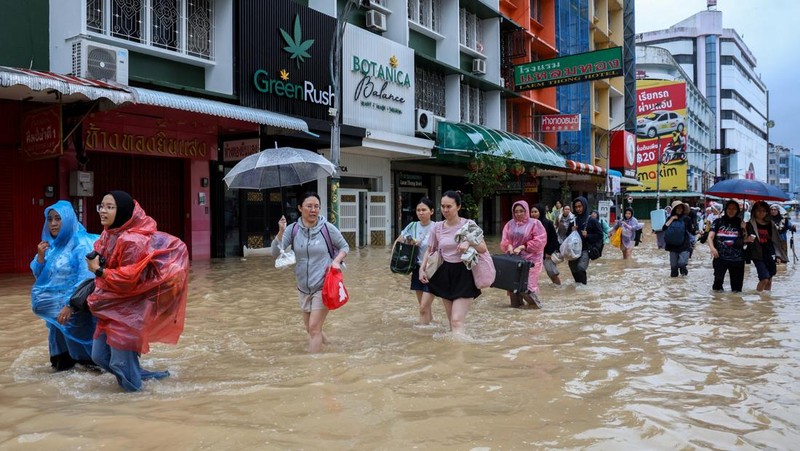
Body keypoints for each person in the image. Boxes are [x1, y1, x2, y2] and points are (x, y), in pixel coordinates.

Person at [87, 191, 189, 391]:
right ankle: (144, 377)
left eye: (110, 207)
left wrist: (99, 270)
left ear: (123, 211)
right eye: (102, 206)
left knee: (120, 363)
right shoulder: (108, 233)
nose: (103, 211)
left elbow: (128, 280)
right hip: (110, 306)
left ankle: (136, 402)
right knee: (99, 357)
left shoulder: (133, 240)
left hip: (129, 311)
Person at [272, 192, 349, 353]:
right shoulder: (292, 230)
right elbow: (275, 252)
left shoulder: (327, 228)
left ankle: (315, 368)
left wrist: (336, 261)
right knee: (310, 328)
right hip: (303, 287)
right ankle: (334, 348)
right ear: (300, 208)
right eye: (309, 206)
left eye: (316, 206)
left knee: (314, 328)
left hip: (323, 285)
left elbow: (344, 246)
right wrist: (280, 232)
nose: (313, 210)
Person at [30, 200, 99, 371]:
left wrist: (70, 305)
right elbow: (41, 278)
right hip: (55, 317)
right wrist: (40, 258)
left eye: (58, 219)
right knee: (61, 367)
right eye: (50, 219)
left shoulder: (80, 243)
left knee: (87, 368)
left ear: (68, 219)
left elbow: (86, 278)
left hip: (75, 311)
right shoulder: (51, 246)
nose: (53, 223)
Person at [419, 191, 488, 335]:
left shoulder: (469, 224)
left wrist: (469, 242)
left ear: (458, 207)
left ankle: (460, 355)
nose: (445, 210)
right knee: (451, 321)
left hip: (465, 274)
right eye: (442, 206)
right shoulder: (437, 227)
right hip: (445, 273)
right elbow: (430, 250)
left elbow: (483, 248)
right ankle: (452, 353)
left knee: (457, 320)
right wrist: (422, 269)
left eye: (449, 206)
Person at [395, 197, 437, 325]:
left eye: (424, 210)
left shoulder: (437, 227)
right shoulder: (412, 226)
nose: (421, 213)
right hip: (417, 269)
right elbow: (399, 241)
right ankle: (431, 325)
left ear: (432, 211)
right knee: (423, 306)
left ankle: (423, 333)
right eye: (418, 210)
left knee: (423, 307)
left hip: (432, 269)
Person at [499, 200, 546, 308]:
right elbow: (505, 240)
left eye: (521, 211)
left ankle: (536, 309)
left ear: (526, 211)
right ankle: (516, 313)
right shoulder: (510, 224)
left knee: (527, 287)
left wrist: (523, 246)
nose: (518, 214)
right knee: (513, 286)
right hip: (514, 259)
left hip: (531, 261)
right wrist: (509, 246)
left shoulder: (535, 223)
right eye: (516, 211)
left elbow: (540, 241)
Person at [746, 202, 788, 292]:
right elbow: (744, 238)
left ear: (766, 212)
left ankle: (765, 300)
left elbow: (776, 240)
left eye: (763, 211)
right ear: (754, 212)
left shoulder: (770, 224)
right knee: (764, 278)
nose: (761, 213)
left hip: (770, 252)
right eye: (758, 211)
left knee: (769, 278)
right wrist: (743, 228)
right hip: (757, 253)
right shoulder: (749, 224)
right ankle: (757, 297)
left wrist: (778, 255)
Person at [707, 200, 747, 292]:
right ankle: (718, 304)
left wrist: (744, 228)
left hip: (738, 259)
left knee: (736, 289)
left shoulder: (741, 222)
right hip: (720, 257)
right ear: (725, 209)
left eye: (734, 209)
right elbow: (710, 237)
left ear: (737, 210)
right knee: (717, 283)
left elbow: (746, 240)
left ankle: (735, 305)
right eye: (729, 208)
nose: (731, 211)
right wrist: (712, 249)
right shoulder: (718, 222)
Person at [568, 197, 603, 285]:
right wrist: (571, 230)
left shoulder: (592, 220)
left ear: (585, 206)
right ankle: (578, 289)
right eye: (576, 207)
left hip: (586, 250)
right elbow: (567, 236)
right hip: (574, 250)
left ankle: (583, 288)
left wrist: (588, 235)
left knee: (580, 268)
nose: (578, 209)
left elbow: (600, 235)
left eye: (580, 206)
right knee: (573, 269)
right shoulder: (573, 220)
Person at [662, 200, 696, 277]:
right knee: (673, 268)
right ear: (674, 209)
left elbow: (691, 230)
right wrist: (671, 219)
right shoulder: (670, 218)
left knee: (681, 264)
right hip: (672, 246)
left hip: (684, 245)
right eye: (677, 208)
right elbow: (664, 228)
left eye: (681, 208)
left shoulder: (686, 219)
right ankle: (675, 286)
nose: (679, 210)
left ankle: (684, 279)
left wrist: (698, 232)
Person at [530, 204, 561, 285]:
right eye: (532, 212)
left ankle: (559, 288)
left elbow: (554, 238)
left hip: (547, 253)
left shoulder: (548, 223)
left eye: (535, 212)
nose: (533, 214)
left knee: (552, 273)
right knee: (531, 274)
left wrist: (549, 252)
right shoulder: (529, 225)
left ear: (540, 212)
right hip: (533, 254)